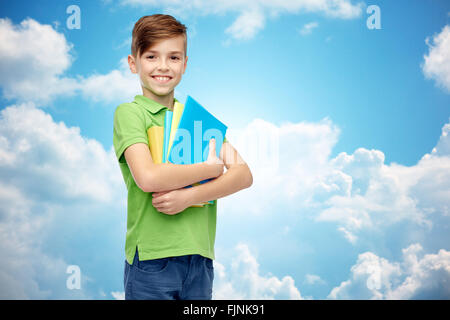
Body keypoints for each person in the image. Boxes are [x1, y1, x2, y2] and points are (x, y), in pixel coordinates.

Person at [113, 14, 253, 300]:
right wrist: (209, 168)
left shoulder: (196, 118)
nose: (163, 66)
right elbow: (148, 177)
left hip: (200, 260)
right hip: (152, 259)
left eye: (174, 57)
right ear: (133, 63)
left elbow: (244, 174)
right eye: (151, 56)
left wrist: (189, 197)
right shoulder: (130, 114)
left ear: (185, 64)